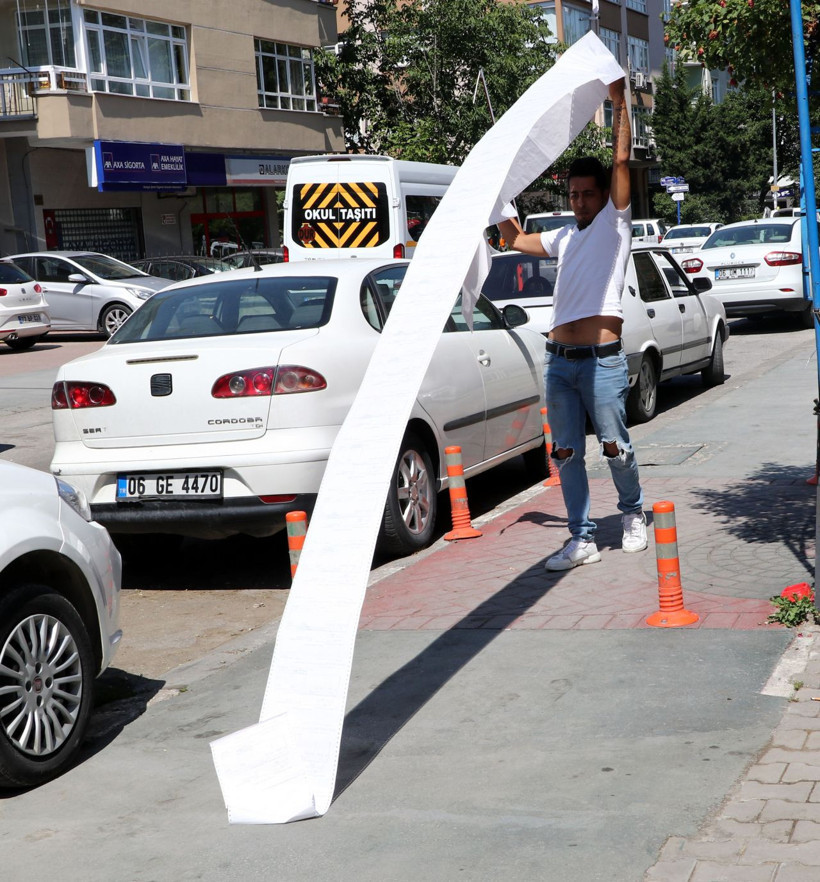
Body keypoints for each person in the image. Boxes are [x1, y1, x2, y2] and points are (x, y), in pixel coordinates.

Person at [497, 76, 647, 571]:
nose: (580, 201)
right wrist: (496, 193)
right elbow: (515, 240)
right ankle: (580, 538)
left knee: (614, 447)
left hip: (602, 362)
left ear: (605, 195)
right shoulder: (564, 236)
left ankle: (631, 515)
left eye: (587, 193)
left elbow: (621, 161)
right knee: (564, 453)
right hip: (559, 362)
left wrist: (620, 102)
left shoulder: (615, 224)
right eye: (574, 194)